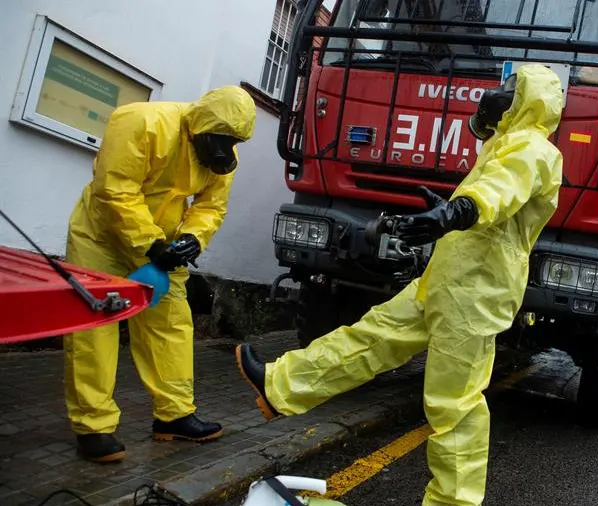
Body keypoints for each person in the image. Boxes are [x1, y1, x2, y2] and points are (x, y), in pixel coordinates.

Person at [236, 63, 562, 506]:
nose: (498, 95)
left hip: (476, 294)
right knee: (371, 338)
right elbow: (490, 205)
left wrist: (449, 214)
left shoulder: (533, 149)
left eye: (511, 88)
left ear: (529, 100)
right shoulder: (504, 145)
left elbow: (499, 193)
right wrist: (445, 207)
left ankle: (453, 503)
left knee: (455, 404)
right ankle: (281, 386)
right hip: (448, 282)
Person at [64, 85, 256, 463]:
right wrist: (151, 243)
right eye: (218, 140)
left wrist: (191, 239)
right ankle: (94, 427)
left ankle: (174, 415)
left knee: (170, 324)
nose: (224, 150)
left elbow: (211, 207)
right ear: (198, 125)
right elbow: (115, 190)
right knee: (94, 328)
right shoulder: (140, 122)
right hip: (101, 239)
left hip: (163, 249)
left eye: (232, 142)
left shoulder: (222, 154)